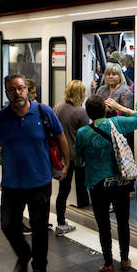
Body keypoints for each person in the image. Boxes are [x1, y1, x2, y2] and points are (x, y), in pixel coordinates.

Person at [0, 74, 69, 272]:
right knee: (8, 225)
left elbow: (60, 136)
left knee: (39, 229)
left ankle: (40, 268)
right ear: (6, 92)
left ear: (28, 90)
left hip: (40, 182)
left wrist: (67, 163)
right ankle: (23, 254)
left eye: (20, 88)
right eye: (11, 89)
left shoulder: (43, 112)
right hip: (12, 184)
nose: (17, 92)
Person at [76, 94, 137, 272]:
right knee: (123, 222)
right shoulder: (117, 123)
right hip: (120, 182)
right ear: (105, 110)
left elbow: (78, 160)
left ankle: (108, 264)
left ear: (88, 112)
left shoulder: (82, 133)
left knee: (104, 225)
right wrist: (121, 108)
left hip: (97, 184)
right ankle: (124, 260)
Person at [54, 80, 90, 233]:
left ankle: (60, 219)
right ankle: (61, 223)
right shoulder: (81, 112)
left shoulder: (57, 107)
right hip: (74, 155)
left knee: (63, 189)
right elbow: (84, 135)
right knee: (72, 185)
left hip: (59, 154)